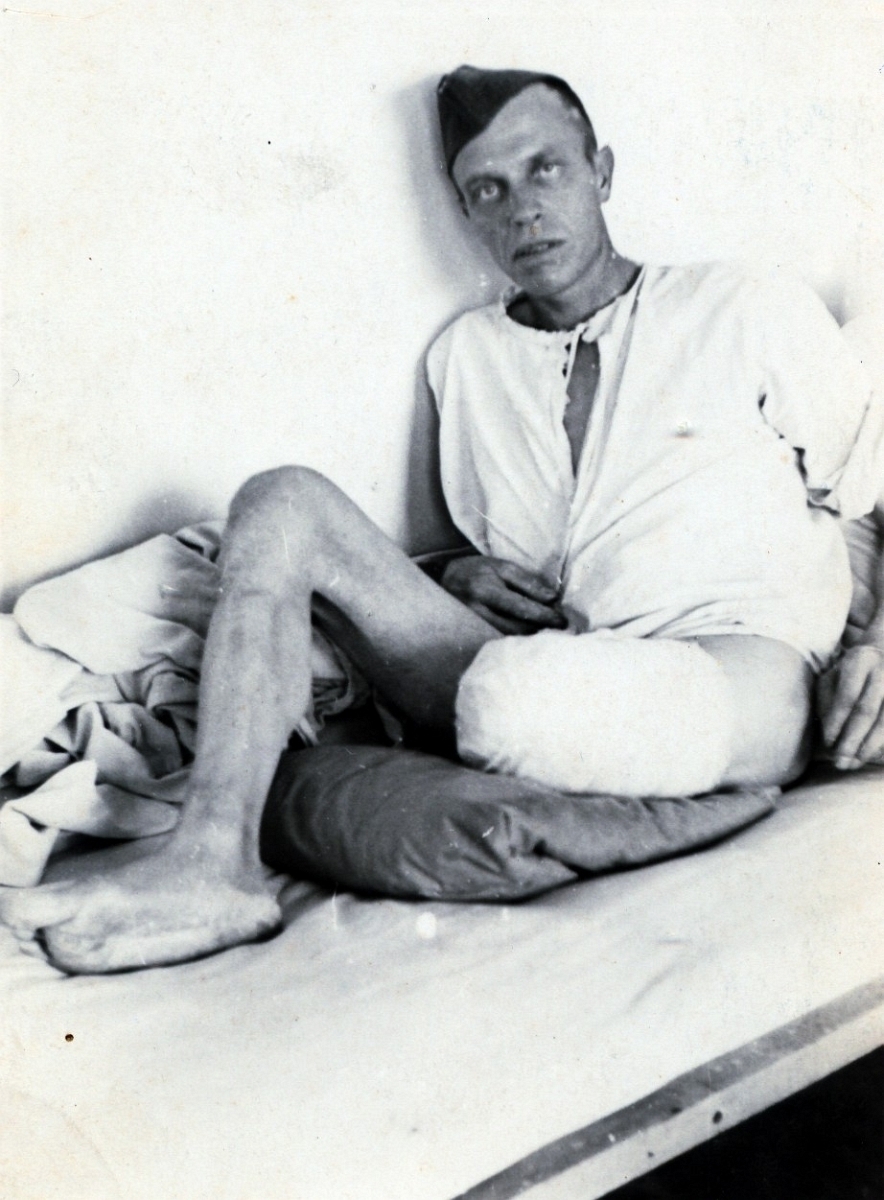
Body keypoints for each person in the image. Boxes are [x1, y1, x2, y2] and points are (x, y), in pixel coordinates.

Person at [2, 66, 882, 974]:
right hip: (559, 661)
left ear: (602, 171)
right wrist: (451, 575)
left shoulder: (742, 305)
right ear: (465, 212)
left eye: (545, 169)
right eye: (487, 190)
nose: (522, 209)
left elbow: (877, 480)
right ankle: (208, 865)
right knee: (280, 500)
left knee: (510, 703)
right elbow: (523, 554)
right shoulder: (465, 359)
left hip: (739, 676)